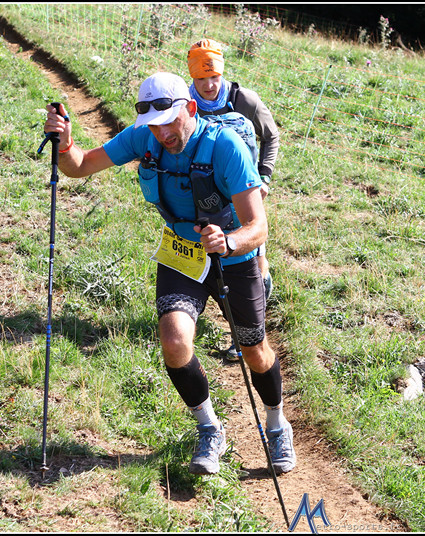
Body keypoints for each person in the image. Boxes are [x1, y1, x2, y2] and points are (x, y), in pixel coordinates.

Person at [42, 72, 295, 476]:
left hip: (233, 258)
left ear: (190, 110)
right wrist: (65, 142)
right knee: (175, 342)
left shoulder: (225, 147)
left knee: (254, 352)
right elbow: (80, 167)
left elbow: (258, 226)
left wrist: (229, 242)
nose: (161, 135)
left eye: (169, 124)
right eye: (153, 127)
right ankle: (210, 429)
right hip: (181, 254)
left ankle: (277, 424)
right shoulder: (143, 137)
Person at [186, 39, 279, 304]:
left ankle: (257, 295)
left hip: (243, 188)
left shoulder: (244, 100)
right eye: (201, 78)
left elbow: (271, 136)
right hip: (202, 190)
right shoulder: (184, 104)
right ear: (192, 76)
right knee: (207, 249)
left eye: (214, 77)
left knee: (252, 250)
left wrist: (264, 177)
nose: (209, 85)